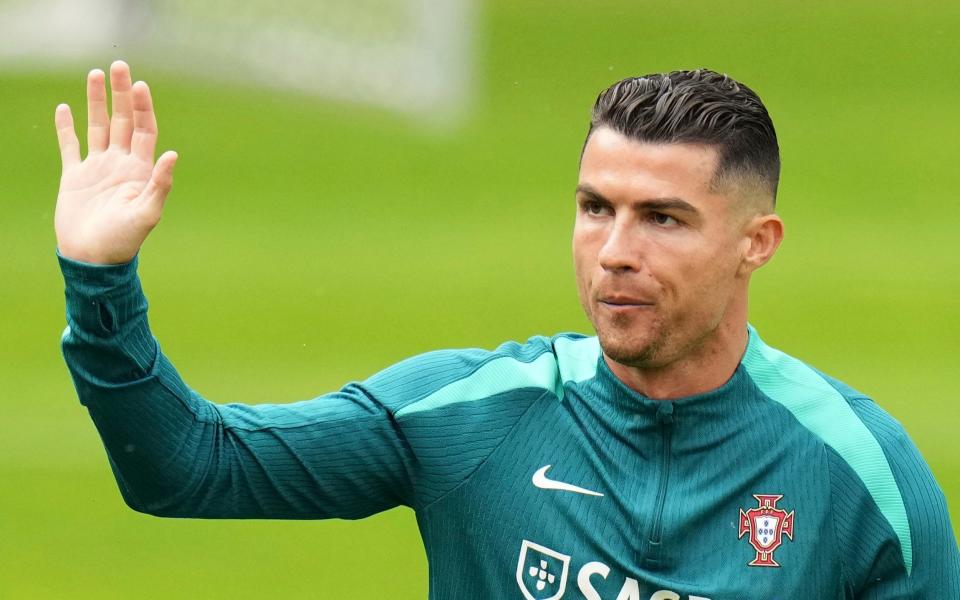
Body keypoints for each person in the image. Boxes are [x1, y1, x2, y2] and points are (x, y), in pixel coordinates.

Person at [54, 61, 959, 599]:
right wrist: (101, 283)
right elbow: (186, 467)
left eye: (663, 219)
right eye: (594, 207)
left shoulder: (860, 476)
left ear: (755, 244)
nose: (613, 252)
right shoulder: (473, 416)